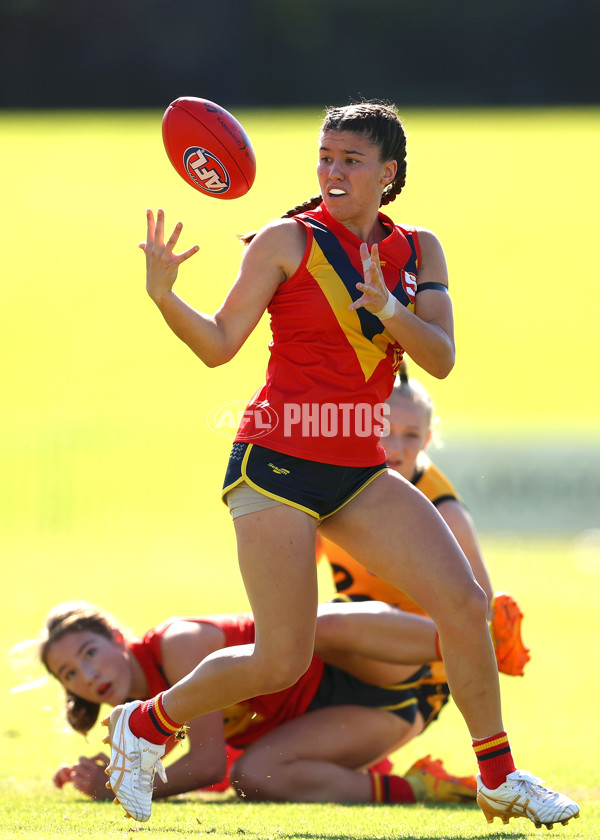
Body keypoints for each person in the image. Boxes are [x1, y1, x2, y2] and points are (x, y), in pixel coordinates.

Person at [112, 100, 578, 828]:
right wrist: (166, 296)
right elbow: (218, 344)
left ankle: (498, 778)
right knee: (280, 660)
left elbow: (442, 359)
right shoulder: (283, 240)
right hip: (273, 468)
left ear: (387, 174)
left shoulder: (420, 249)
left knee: (465, 607)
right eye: (325, 158)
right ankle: (144, 726)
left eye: (350, 161)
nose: (332, 171)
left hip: (358, 471)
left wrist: (389, 307)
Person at [42, 600, 479, 807]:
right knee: (253, 775)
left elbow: (208, 763)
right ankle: (424, 788)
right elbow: (188, 770)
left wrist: (120, 788)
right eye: (70, 675)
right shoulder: (146, 707)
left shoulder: (177, 645)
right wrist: (101, 775)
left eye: (89, 653)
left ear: (118, 638)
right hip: (379, 717)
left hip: (372, 661)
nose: (88, 675)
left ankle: (476, 635)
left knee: (312, 623)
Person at [315, 362, 531, 692]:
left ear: (428, 439)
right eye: (384, 429)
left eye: (411, 435)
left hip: (420, 678)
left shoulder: (447, 514)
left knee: (321, 627)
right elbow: (290, 575)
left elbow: (483, 613)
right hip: (350, 649)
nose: (396, 447)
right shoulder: (329, 483)